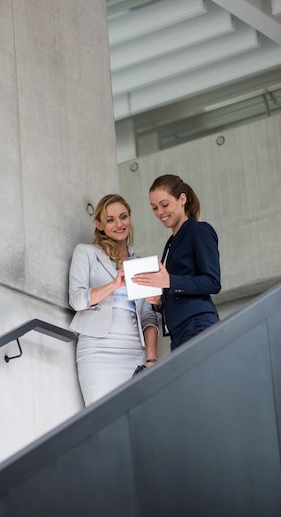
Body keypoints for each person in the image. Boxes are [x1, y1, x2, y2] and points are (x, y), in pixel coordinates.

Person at [68, 194, 159, 406]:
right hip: (97, 349)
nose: (119, 224)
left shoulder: (142, 263)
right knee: (101, 415)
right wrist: (113, 285)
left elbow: (148, 316)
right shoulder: (86, 253)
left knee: (138, 417)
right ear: (99, 224)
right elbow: (77, 300)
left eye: (123, 217)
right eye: (110, 219)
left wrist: (151, 358)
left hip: (134, 349)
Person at [132, 174, 221, 351]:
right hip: (179, 331)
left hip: (197, 325)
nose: (160, 212)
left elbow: (212, 282)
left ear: (182, 199)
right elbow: (178, 288)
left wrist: (169, 282)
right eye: (154, 208)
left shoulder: (199, 231)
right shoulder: (171, 242)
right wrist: (159, 301)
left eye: (164, 205)